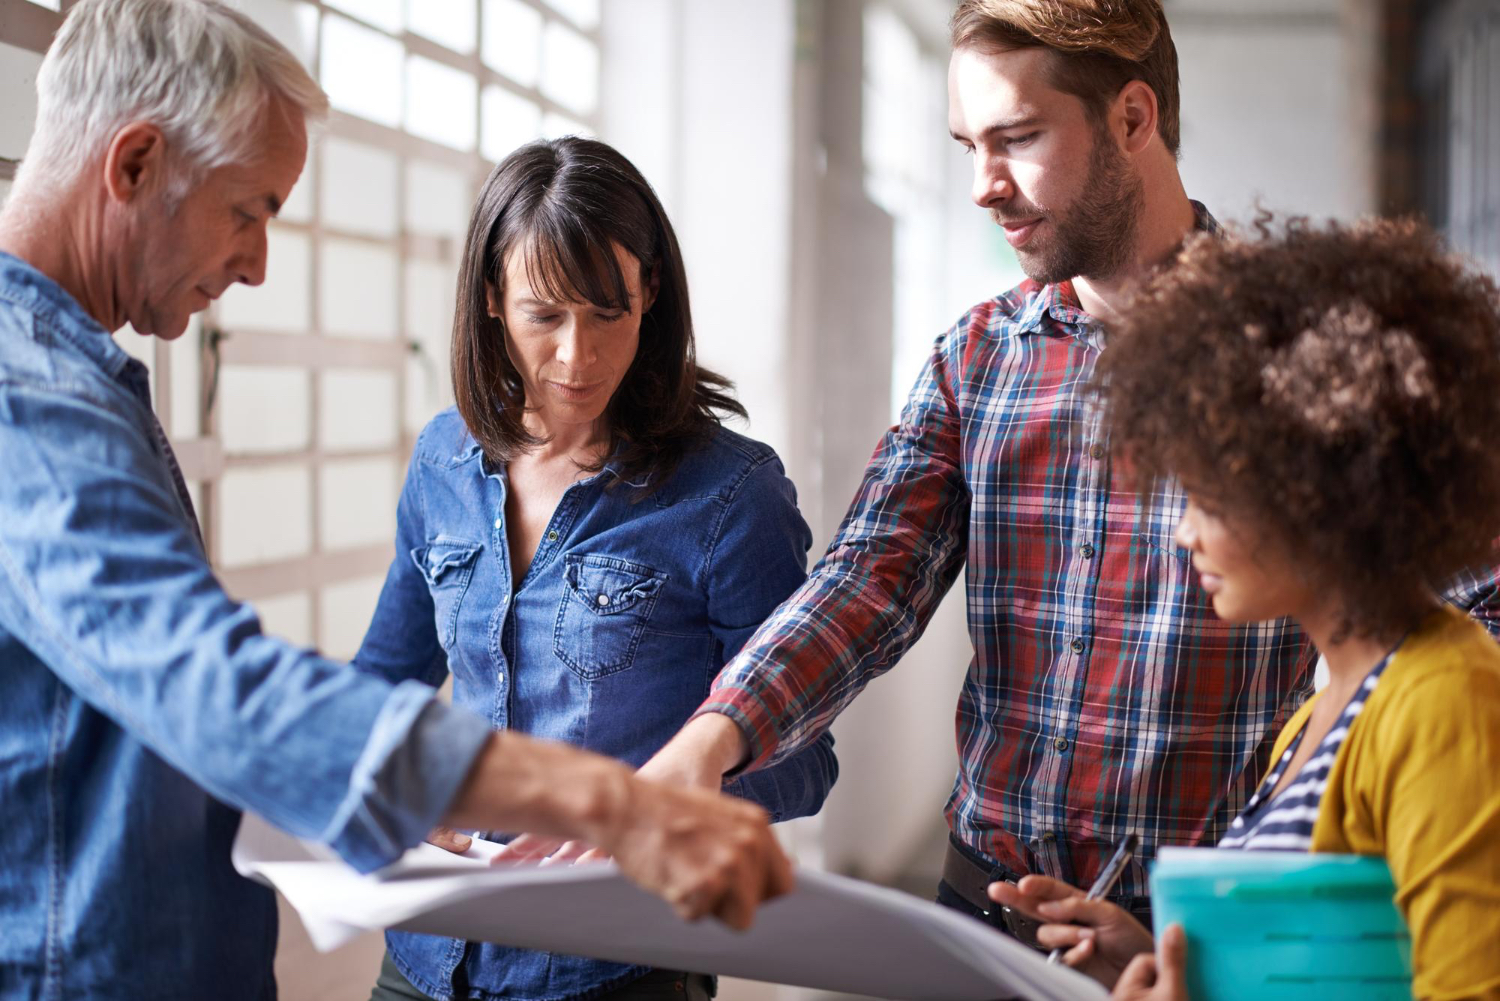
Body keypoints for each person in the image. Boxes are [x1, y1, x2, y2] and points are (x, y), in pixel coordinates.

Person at [639, 0, 1500, 944]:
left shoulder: (1300, 349)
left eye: (1016, 138)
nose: (984, 184)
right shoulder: (976, 358)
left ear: (1132, 118)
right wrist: (713, 737)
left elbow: (1475, 602)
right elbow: (867, 580)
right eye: (968, 145)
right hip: (985, 909)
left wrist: (1326, 837)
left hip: (1199, 942)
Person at [0, 3, 791, 998]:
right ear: (135, 164)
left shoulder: (729, 489)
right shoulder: (30, 399)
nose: (258, 264)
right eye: (248, 210)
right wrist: (611, 803)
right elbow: (216, 682)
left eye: (606, 312)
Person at [354, 136, 839, 1001]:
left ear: (649, 292)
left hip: (617, 962)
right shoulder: (442, 460)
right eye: (544, 315)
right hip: (430, 950)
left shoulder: (731, 496)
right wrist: (398, 786)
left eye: (608, 312)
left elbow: (806, 757)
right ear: (491, 298)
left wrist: (659, 806)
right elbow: (380, 685)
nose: (578, 357)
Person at [987, 217, 1500, 1000]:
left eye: (1207, 498)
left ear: (1318, 493)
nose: (1184, 532)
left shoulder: (1444, 700)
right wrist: (1154, 957)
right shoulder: (1325, 708)